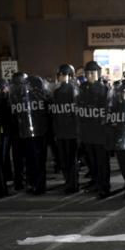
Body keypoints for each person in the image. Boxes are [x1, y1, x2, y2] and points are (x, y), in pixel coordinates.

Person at [77, 61, 111, 198]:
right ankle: (95, 182)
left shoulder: (104, 89)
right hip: (87, 131)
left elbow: (108, 110)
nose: (90, 75)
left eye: (92, 73)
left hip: (100, 132)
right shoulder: (83, 88)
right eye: (88, 73)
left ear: (98, 73)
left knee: (102, 161)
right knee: (91, 160)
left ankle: (104, 186)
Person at [50, 64, 79, 194]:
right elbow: (55, 114)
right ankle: (69, 182)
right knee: (65, 160)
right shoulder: (56, 92)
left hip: (71, 132)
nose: (62, 77)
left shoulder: (73, 91)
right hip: (62, 132)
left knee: (71, 159)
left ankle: (73, 184)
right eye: (60, 75)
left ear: (70, 76)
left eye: (64, 75)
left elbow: (76, 114)